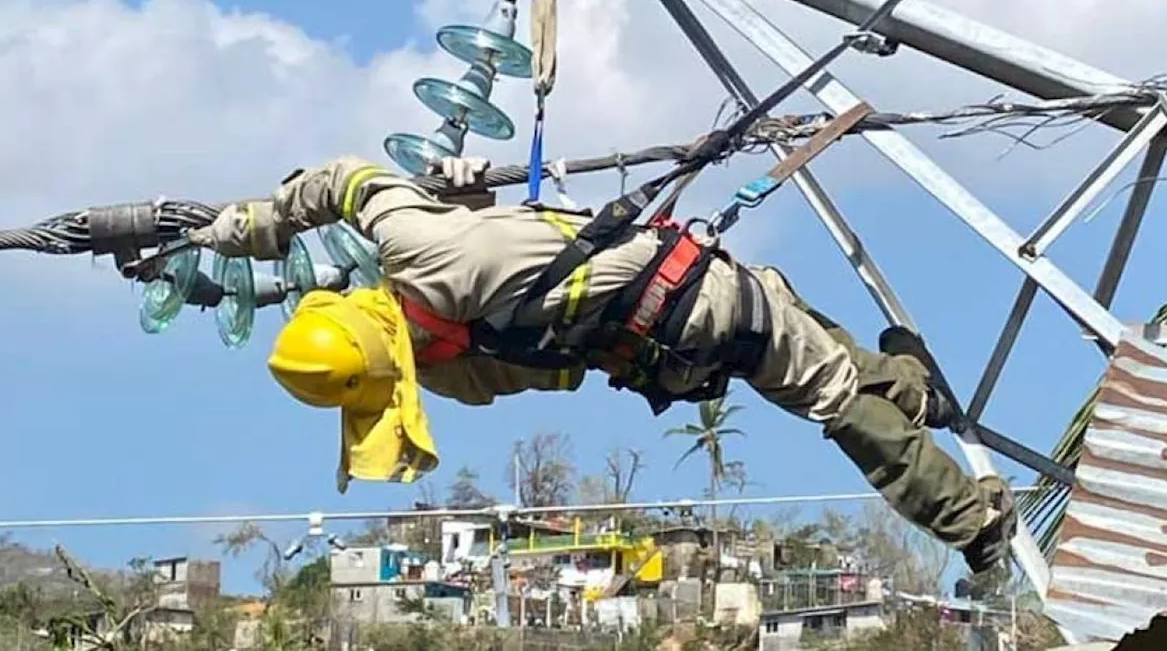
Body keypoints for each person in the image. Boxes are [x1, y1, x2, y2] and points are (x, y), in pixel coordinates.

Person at [187, 154, 1016, 573]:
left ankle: (913, 387)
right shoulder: (419, 244)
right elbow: (344, 180)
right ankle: (974, 527)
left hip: (677, 359)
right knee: (835, 396)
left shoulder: (455, 372)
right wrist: (253, 226)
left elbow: (563, 367)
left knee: (799, 329)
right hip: (709, 299)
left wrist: (472, 210)